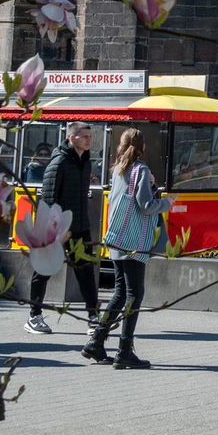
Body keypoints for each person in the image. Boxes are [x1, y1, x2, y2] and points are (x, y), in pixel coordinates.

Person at [85, 127, 173, 369]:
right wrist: (166, 203)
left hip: (116, 237)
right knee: (135, 294)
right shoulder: (140, 169)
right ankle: (124, 350)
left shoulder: (117, 170)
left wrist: (150, 186)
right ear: (143, 147)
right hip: (134, 241)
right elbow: (145, 205)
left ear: (121, 145)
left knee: (120, 292)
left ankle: (96, 341)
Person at [26, 122, 100, 335]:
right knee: (44, 271)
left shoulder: (85, 162)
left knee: (86, 272)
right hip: (56, 229)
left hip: (79, 226)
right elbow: (49, 197)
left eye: (90, 136)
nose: (89, 140)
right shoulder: (59, 162)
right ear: (72, 137)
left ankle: (93, 318)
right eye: (85, 136)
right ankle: (34, 316)